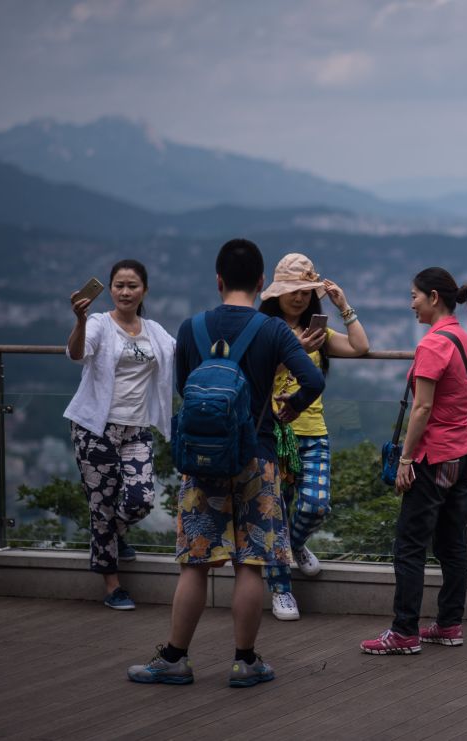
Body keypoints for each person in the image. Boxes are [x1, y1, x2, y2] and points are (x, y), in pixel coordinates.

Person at [127, 238, 324, 687]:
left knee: (195, 564)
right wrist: (289, 406)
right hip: (257, 456)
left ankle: (175, 658)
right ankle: (245, 661)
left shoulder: (191, 327)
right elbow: (312, 378)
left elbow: (183, 388)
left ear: (217, 280)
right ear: (260, 283)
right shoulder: (273, 331)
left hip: (202, 462)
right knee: (250, 563)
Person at [360, 267, 467, 655]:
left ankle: (404, 631)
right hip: (463, 451)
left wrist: (407, 459)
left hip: (433, 455)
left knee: (409, 544)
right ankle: (449, 624)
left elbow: (422, 407)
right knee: (452, 543)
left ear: (433, 297)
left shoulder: (431, 345)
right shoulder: (464, 338)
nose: (411, 304)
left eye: (414, 296)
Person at [258, 253, 369, 621]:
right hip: (273, 434)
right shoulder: (265, 330)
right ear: (276, 293)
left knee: (316, 504)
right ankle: (281, 591)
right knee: (272, 514)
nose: (300, 297)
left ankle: (296, 545)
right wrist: (296, 352)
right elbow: (255, 375)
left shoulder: (318, 333)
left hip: (313, 432)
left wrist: (344, 306)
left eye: (306, 290)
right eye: (293, 290)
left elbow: (359, 347)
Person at [64, 259, 176, 611]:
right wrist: (80, 321)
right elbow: (76, 354)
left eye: (132, 286)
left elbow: (182, 353)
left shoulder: (154, 331)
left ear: (144, 290)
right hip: (95, 428)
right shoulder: (98, 324)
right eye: (119, 286)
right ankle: (113, 587)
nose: (125, 292)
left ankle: (116, 533)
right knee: (102, 504)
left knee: (140, 499)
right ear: (109, 289)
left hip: (137, 428)